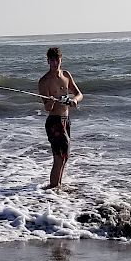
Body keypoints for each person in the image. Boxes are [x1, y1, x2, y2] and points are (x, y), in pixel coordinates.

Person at [38, 47, 83, 189]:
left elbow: (79, 94)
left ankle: (58, 185)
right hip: (54, 121)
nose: (55, 63)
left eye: (57, 60)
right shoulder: (44, 81)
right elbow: (47, 108)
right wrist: (51, 100)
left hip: (66, 119)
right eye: (52, 60)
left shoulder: (66, 75)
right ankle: (52, 187)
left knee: (65, 156)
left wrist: (74, 100)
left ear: (61, 59)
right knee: (59, 157)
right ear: (48, 61)